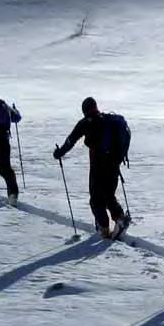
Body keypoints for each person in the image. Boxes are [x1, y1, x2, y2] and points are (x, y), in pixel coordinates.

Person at [53, 97, 132, 239]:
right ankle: (118, 220)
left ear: (84, 110)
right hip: (114, 163)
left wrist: (59, 153)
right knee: (108, 194)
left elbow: (71, 140)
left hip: (99, 165)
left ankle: (106, 228)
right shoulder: (109, 120)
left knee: (96, 199)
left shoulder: (86, 123)